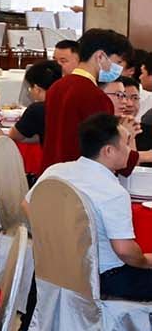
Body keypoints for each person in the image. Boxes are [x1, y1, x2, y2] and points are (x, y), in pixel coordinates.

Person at [53, 113, 152, 301]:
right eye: (126, 144)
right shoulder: (112, 191)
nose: (130, 151)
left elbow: (27, 206)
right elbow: (124, 251)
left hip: (57, 269)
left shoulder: (55, 172)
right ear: (108, 151)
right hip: (105, 277)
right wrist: (146, 261)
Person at [42, 28, 131, 171]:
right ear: (100, 56)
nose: (119, 68)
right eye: (118, 61)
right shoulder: (95, 95)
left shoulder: (57, 86)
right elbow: (104, 150)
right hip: (81, 175)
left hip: (52, 171)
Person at [10, 60, 61, 147]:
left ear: (37, 89)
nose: (30, 91)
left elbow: (14, 135)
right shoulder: (67, 102)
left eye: (30, 87)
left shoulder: (37, 109)